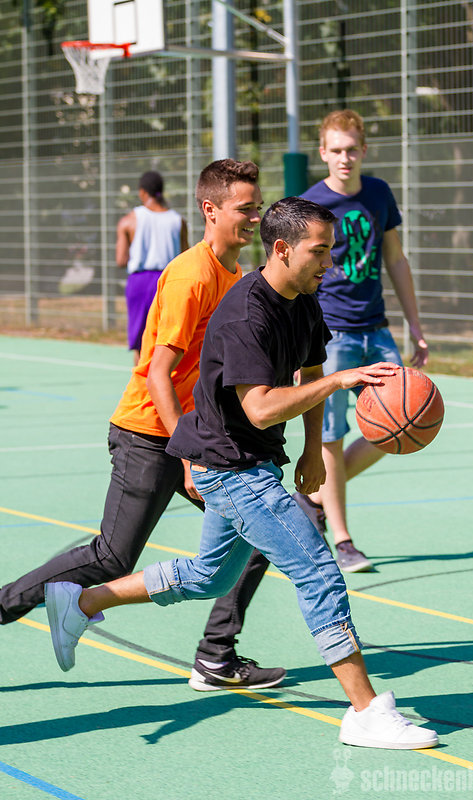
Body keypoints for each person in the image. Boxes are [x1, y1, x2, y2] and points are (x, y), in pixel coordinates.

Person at [43, 197, 438, 751]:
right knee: (318, 574)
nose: (330, 262)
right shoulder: (245, 314)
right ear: (282, 249)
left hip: (245, 459)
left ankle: (81, 601)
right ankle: (366, 712)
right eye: (319, 251)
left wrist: (311, 449)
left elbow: (312, 369)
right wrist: (339, 382)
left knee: (210, 577)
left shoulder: (304, 299)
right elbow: (260, 408)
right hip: (231, 467)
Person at [0, 158, 286, 693]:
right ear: (211, 210)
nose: (256, 218)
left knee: (259, 536)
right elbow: (158, 373)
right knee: (112, 556)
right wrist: (191, 456)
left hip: (194, 436)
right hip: (148, 435)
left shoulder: (236, 278)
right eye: (245, 209)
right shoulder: (191, 275)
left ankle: (216, 656)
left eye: (258, 207)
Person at [295, 109, 429, 574]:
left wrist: (415, 325)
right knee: (330, 437)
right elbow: (298, 277)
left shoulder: (378, 193)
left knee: (404, 421)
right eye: (336, 150)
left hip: (376, 327)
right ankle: (344, 540)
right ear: (323, 153)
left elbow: (395, 259)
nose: (344, 157)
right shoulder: (310, 204)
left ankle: (313, 495)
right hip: (331, 334)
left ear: (364, 150)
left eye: (352, 149)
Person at [116, 170, 189, 365]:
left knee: (141, 342)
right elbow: (186, 257)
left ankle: (142, 381)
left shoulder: (129, 220)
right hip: (170, 281)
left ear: (142, 192)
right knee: (170, 339)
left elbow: (121, 259)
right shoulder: (178, 221)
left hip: (140, 283)